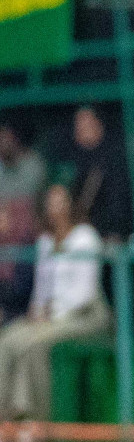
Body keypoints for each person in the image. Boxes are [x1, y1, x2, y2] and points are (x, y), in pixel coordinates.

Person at [0, 184, 111, 442]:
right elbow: (41, 288)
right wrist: (36, 311)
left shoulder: (86, 237)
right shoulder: (45, 242)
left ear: (71, 204)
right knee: (7, 340)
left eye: (60, 201)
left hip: (86, 315)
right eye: (50, 202)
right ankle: (5, 420)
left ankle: (38, 424)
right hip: (52, 316)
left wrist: (48, 318)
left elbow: (83, 293)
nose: (55, 208)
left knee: (33, 344)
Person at [59, 106, 131, 242]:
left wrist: (111, 233)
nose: (81, 128)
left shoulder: (113, 159)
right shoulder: (70, 159)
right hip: (75, 235)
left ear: (99, 124)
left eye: (86, 123)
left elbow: (118, 205)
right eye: (78, 124)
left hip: (107, 236)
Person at [0, 123, 46, 322]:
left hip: (28, 238)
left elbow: (32, 209)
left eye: (6, 139)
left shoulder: (34, 165)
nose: (3, 144)